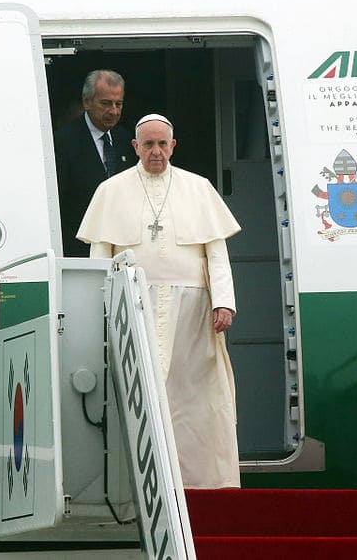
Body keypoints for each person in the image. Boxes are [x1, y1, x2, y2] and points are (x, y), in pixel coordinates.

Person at [77, 113, 241, 489]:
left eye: (162, 144)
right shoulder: (111, 191)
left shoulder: (198, 188)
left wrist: (224, 302)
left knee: (196, 395)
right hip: (134, 307)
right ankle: (139, 484)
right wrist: (100, 310)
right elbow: (100, 257)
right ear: (135, 147)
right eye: (148, 144)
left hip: (194, 311)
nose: (156, 151)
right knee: (139, 393)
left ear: (173, 146)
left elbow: (217, 254)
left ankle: (205, 483)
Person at [55, 69, 136, 257]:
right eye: (106, 103)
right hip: (79, 250)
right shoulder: (63, 141)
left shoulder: (125, 139)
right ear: (87, 102)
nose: (113, 111)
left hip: (121, 249)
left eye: (118, 104)